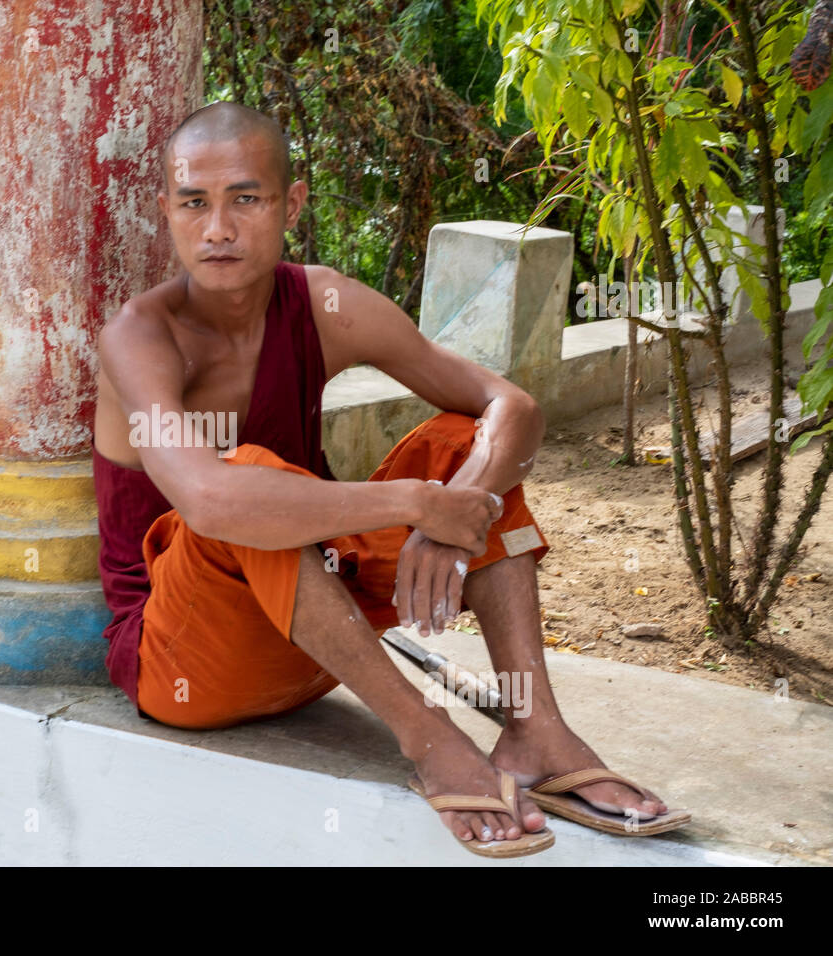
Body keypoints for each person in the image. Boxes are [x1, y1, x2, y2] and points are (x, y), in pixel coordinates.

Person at [91, 101, 688, 857]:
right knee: (248, 487)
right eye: (193, 204)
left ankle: (536, 732)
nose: (217, 229)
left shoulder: (324, 304)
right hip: (184, 662)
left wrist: (459, 502)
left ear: (292, 203)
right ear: (167, 212)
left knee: (461, 441)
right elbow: (211, 501)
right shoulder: (139, 337)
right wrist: (417, 505)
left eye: (246, 199)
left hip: (321, 636)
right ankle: (428, 737)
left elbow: (512, 405)